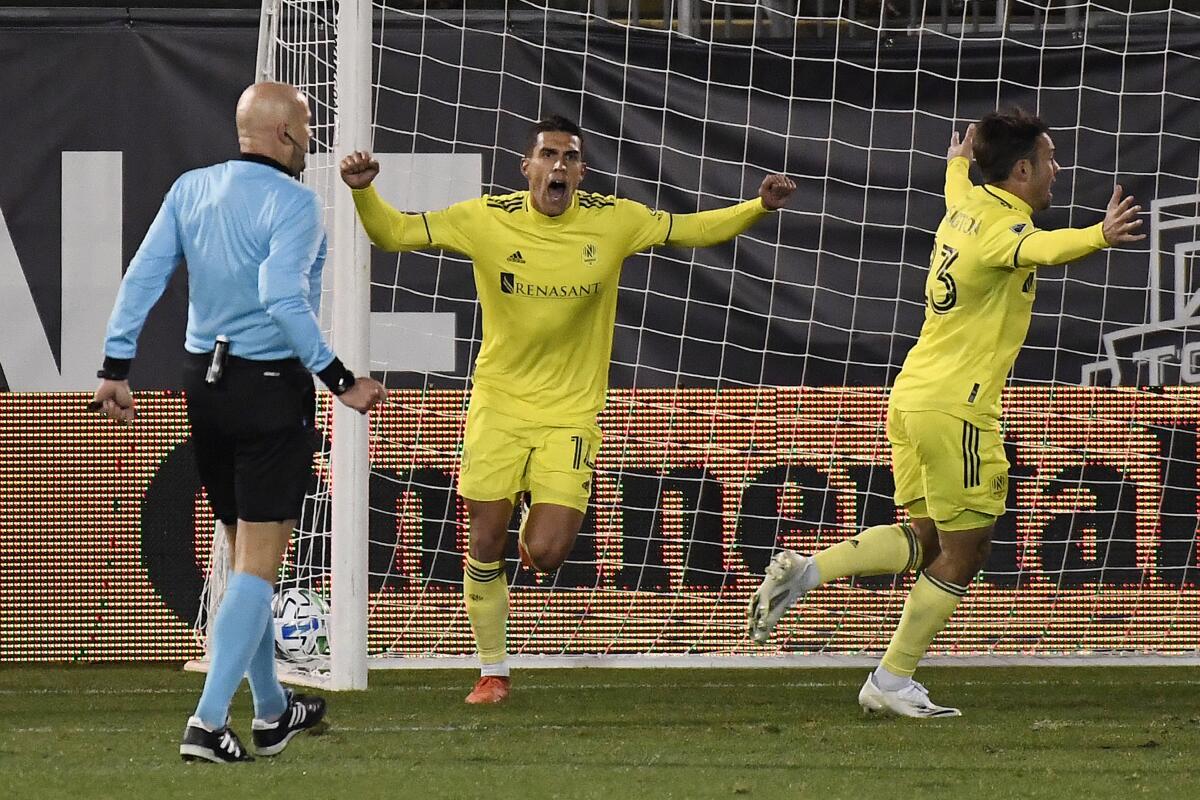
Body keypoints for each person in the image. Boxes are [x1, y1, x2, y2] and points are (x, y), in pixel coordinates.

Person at [341, 115, 795, 704]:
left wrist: (756, 206)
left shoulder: (615, 220)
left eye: (569, 157)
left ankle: (535, 509)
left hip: (570, 412)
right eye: (548, 154)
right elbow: (394, 235)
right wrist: (364, 191)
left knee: (549, 554)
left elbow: (690, 229)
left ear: (582, 172)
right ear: (526, 167)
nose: (558, 165)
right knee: (484, 540)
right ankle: (493, 670)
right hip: (499, 405)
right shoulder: (485, 219)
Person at [748, 108, 1145, 717]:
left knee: (926, 536)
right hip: (959, 408)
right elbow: (1039, 247)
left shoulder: (964, 199)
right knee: (968, 550)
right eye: (1048, 159)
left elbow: (955, 174)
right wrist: (1099, 235)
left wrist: (961, 155)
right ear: (1020, 170)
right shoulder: (1000, 228)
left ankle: (805, 574)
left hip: (912, 397)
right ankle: (892, 679)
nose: (1057, 170)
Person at [91, 82, 388, 762]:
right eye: (307, 125)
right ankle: (206, 720)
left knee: (242, 553)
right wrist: (340, 379)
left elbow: (142, 275)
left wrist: (115, 367)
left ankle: (274, 710)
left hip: (206, 385)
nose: (311, 136)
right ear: (283, 135)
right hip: (269, 388)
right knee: (259, 563)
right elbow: (281, 296)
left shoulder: (191, 188)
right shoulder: (295, 203)